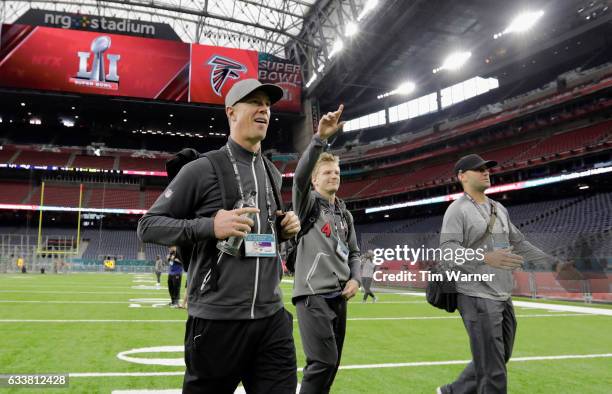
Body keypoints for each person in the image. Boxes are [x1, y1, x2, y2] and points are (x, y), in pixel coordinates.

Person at [138, 78, 301, 394]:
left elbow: (258, 240)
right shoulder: (201, 169)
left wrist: (280, 231)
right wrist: (209, 226)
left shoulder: (272, 171)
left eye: (267, 104)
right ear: (231, 112)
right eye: (254, 102)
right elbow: (149, 226)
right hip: (217, 322)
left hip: (271, 320)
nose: (264, 109)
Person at [437, 154, 571, 394]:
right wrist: (484, 258)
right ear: (462, 176)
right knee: (494, 369)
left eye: (487, 168)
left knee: (500, 355)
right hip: (475, 294)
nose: (486, 172)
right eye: (478, 169)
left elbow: (518, 243)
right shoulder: (457, 210)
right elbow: (448, 251)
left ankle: (452, 391)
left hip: (501, 293)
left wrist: (553, 264)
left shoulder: (498, 209)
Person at [292, 104, 361, 394]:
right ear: (315, 179)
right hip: (312, 296)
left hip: (339, 297)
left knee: (331, 365)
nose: (334, 176)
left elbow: (355, 253)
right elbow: (298, 178)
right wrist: (319, 139)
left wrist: (356, 278)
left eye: (337, 172)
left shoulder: (345, 214)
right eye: (327, 172)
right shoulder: (307, 203)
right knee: (322, 362)